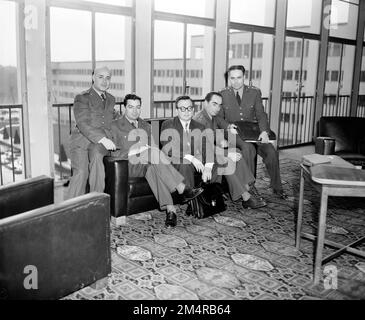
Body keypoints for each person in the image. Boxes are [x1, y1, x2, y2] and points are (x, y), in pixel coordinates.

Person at [110, 94, 203, 228]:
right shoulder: (115, 125)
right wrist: (138, 150)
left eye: (138, 107)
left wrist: (147, 150)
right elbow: (114, 152)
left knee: (154, 167)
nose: (134, 111)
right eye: (130, 107)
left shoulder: (145, 125)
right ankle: (182, 187)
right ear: (124, 108)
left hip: (148, 163)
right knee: (153, 153)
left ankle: (171, 210)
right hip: (129, 164)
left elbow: (153, 147)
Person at [219, 65, 287, 199]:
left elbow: (261, 115)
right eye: (232, 78)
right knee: (248, 149)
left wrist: (264, 132)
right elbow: (219, 118)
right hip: (234, 133)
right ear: (228, 79)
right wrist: (227, 126)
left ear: (244, 77)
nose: (236, 81)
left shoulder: (254, 92)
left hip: (253, 132)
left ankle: (277, 187)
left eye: (239, 77)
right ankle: (249, 187)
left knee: (271, 152)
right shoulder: (223, 94)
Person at [193, 91, 266, 208]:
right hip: (202, 155)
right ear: (205, 103)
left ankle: (246, 187)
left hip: (211, 151)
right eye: (214, 104)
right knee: (226, 161)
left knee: (237, 153)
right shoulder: (200, 120)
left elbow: (221, 122)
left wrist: (229, 127)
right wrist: (225, 154)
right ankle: (246, 197)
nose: (218, 108)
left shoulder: (212, 116)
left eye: (220, 105)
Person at [67, 66, 117, 199]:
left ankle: (96, 202)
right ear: (93, 78)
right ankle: (70, 211)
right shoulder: (82, 97)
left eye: (108, 78)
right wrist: (103, 139)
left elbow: (113, 118)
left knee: (96, 158)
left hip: (99, 144)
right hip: (82, 141)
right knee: (81, 173)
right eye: (100, 77)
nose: (104, 81)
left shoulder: (111, 99)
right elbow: (83, 123)